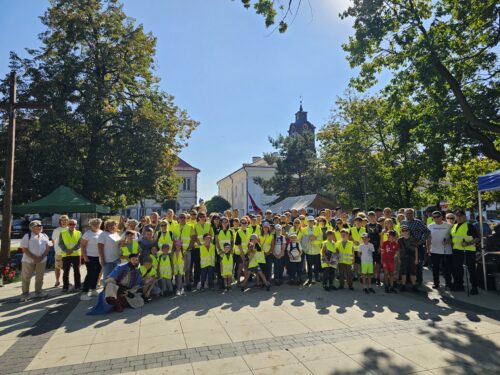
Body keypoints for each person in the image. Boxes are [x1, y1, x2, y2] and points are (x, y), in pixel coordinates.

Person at [450, 209, 480, 294]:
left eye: (460, 216)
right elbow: (454, 238)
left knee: (471, 269)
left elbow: (477, 238)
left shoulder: (469, 226)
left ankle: (474, 287)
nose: (458, 217)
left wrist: (468, 243)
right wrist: (448, 241)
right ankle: (459, 285)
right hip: (457, 250)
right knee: (457, 268)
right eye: (457, 216)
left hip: (468, 250)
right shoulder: (454, 226)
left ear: (464, 216)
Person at [19, 220, 50, 302]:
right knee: (26, 278)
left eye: (40, 226)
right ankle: (25, 294)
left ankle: (38, 292)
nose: (40, 227)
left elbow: (47, 248)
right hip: (28, 260)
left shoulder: (44, 235)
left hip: (42, 260)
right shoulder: (27, 236)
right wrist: (35, 258)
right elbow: (24, 249)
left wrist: (41, 257)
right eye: (38, 226)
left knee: (40, 277)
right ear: (32, 228)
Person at [401, 208, 430, 285]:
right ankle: (409, 280)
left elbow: (427, 232)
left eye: (410, 213)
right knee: (408, 264)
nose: (408, 215)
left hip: (417, 246)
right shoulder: (403, 222)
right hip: (406, 246)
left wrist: (421, 241)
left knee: (418, 264)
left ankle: (419, 280)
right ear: (404, 214)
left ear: (413, 214)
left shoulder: (418, 222)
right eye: (407, 213)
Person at [426, 211, 453, 289]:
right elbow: (428, 238)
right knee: (435, 268)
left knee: (447, 269)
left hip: (447, 251)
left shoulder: (449, 225)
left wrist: (448, 241)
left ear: (442, 217)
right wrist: (428, 249)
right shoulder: (430, 226)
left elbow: (453, 238)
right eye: (434, 217)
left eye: (438, 216)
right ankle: (436, 283)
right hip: (434, 250)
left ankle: (448, 283)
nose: (436, 218)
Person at [80, 218, 103, 301]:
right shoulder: (87, 234)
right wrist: (85, 256)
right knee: (90, 274)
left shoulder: (102, 233)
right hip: (90, 256)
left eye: (97, 224)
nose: (96, 225)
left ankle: (93, 289)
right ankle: (84, 293)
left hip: (99, 257)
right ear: (91, 225)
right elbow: (82, 245)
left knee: (97, 273)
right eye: (94, 224)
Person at [59, 219, 82, 293]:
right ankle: (65, 287)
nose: (72, 225)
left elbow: (79, 243)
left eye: (74, 224)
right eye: (70, 224)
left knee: (77, 271)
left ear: (76, 225)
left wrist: (72, 250)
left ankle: (77, 286)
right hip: (66, 254)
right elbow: (60, 243)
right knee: (66, 271)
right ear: (68, 225)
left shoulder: (79, 233)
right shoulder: (62, 233)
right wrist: (66, 250)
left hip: (76, 254)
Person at [193, 212, 212, 290]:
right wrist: (201, 245)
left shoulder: (208, 224)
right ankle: (197, 282)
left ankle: (206, 282)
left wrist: (207, 244)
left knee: (206, 265)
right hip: (199, 248)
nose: (202, 217)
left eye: (203, 216)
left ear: (205, 217)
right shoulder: (195, 225)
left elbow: (211, 235)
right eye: (200, 216)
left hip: (207, 248)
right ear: (198, 217)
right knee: (197, 266)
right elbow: (195, 236)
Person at [398, 225, 419, 292]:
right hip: (403, 258)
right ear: (401, 232)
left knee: (412, 272)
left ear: (408, 231)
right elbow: (398, 250)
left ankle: (414, 286)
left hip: (412, 258)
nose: (405, 232)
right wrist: (398, 258)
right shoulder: (400, 240)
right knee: (403, 272)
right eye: (403, 231)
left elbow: (416, 249)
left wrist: (416, 259)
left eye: (406, 230)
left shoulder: (413, 239)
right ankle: (403, 286)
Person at [303, 216, 322, 284]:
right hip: (309, 251)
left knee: (317, 265)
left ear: (314, 221)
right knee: (309, 266)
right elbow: (304, 241)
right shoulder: (304, 229)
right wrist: (310, 238)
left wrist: (314, 239)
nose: (311, 222)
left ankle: (317, 277)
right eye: (309, 221)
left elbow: (321, 239)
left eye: (312, 221)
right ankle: (310, 278)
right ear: (307, 222)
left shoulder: (318, 228)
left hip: (316, 251)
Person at [51, 215, 69, 287]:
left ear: (68, 221)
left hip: (68, 253)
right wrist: (56, 248)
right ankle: (57, 281)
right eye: (62, 220)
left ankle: (67, 281)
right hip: (59, 252)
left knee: (66, 268)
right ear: (60, 221)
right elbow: (53, 240)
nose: (64, 222)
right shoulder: (56, 230)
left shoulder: (70, 229)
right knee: (57, 267)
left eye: (66, 220)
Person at [365, 211, 382, 285]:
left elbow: (381, 237)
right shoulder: (367, 226)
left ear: (375, 217)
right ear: (368, 217)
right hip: (369, 247)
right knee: (371, 262)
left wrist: (380, 247)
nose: (371, 218)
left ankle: (377, 277)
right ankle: (372, 277)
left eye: (373, 216)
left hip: (377, 246)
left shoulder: (378, 225)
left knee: (377, 263)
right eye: (370, 217)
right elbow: (366, 237)